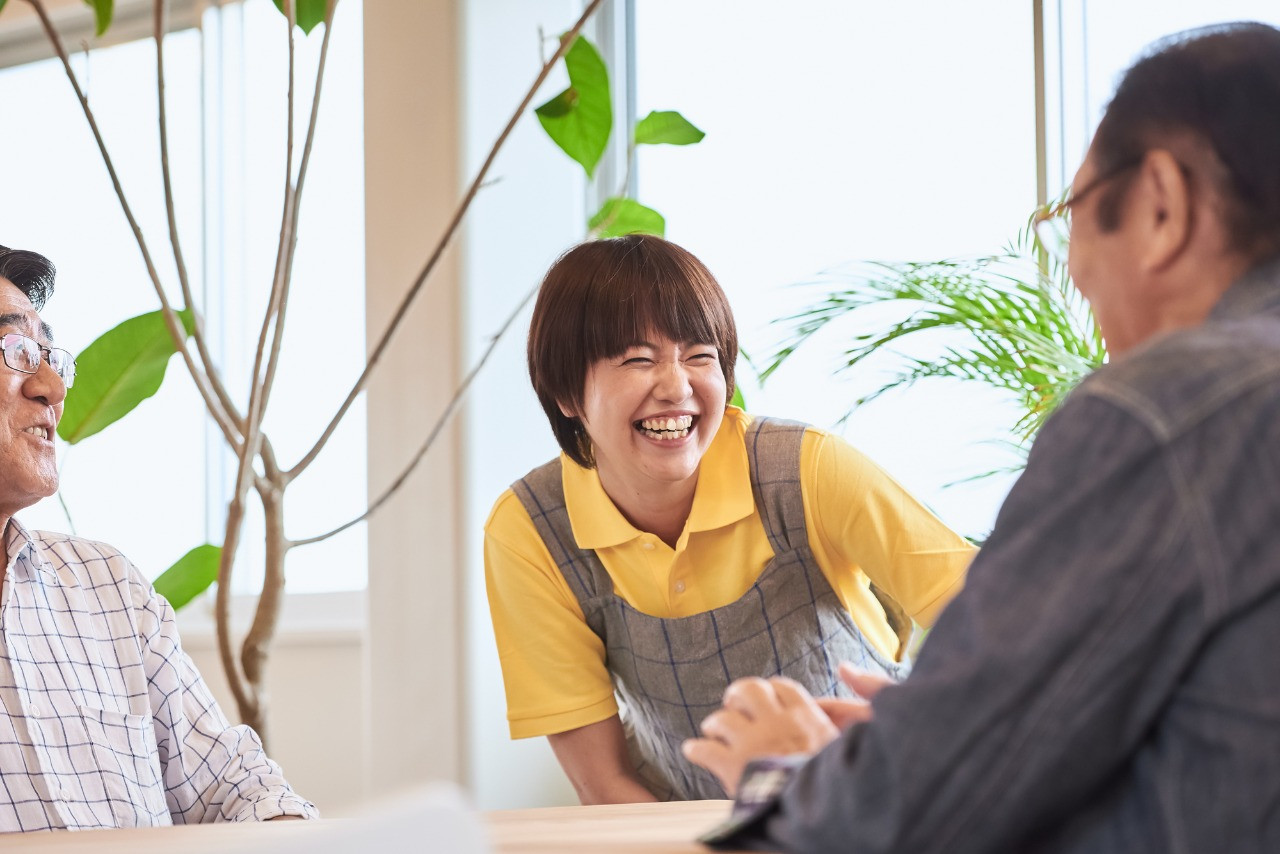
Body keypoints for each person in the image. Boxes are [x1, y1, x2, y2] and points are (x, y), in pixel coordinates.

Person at [684, 21, 1280, 853]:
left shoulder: (1169, 412)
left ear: (1160, 202)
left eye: (1068, 210)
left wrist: (798, 771)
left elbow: (898, 827)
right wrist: (956, 729)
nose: (1070, 267)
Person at [483, 234, 976, 804]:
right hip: (678, 829)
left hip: (875, 811)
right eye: (638, 359)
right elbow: (603, 783)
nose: (676, 387)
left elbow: (997, 620)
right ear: (567, 392)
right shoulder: (530, 530)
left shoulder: (808, 468)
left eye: (700, 356)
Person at [0, 245, 317, 831]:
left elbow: (238, 786)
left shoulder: (111, 587)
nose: (51, 387)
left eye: (49, 356)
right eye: (18, 351)